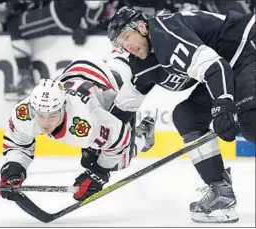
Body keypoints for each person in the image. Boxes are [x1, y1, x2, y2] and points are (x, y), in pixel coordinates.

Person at [107, 6, 255, 223]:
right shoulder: (143, 61)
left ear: (141, 27)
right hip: (227, 65)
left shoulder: (164, 33)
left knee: (251, 122)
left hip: (246, 45)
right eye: (121, 43)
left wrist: (223, 103)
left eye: (127, 36)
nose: (126, 45)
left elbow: (216, 67)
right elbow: (122, 108)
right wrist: (98, 152)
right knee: (188, 116)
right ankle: (221, 193)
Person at [0, 54, 156, 203]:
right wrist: (14, 166)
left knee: (117, 160)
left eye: (52, 115)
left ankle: (143, 133)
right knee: (90, 156)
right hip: (79, 72)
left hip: (111, 82)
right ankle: (117, 57)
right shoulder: (24, 112)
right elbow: (17, 141)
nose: (45, 123)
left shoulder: (86, 120)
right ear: (32, 109)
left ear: (63, 108)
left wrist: (99, 172)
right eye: (40, 115)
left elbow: (121, 140)